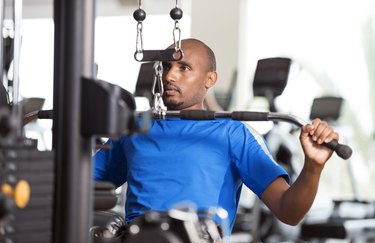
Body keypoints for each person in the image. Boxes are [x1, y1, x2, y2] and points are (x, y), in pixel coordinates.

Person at [93, 38, 339, 232]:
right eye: (166, 67)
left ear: (210, 79)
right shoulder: (134, 127)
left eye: (184, 68)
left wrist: (313, 167)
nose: (169, 76)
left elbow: (289, 212)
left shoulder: (233, 133)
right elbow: (82, 187)